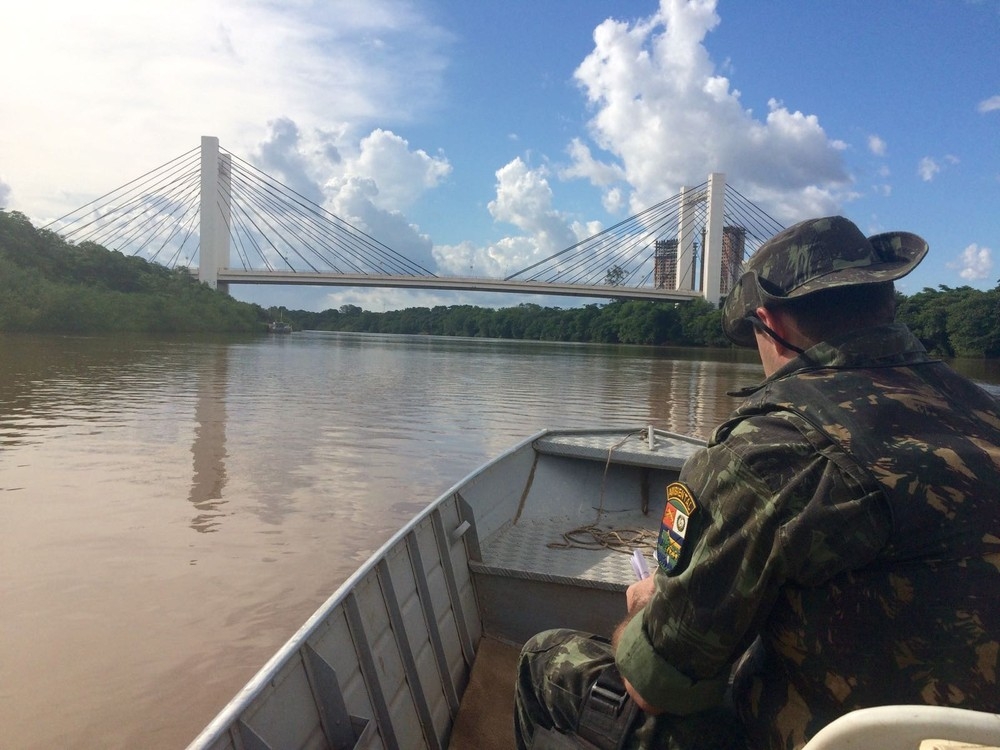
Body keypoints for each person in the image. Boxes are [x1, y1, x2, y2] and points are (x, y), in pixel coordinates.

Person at [514, 216, 1000, 750]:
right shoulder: (985, 409)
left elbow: (657, 686)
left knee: (546, 658)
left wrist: (647, 611)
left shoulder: (771, 452)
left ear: (770, 324)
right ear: (886, 301)